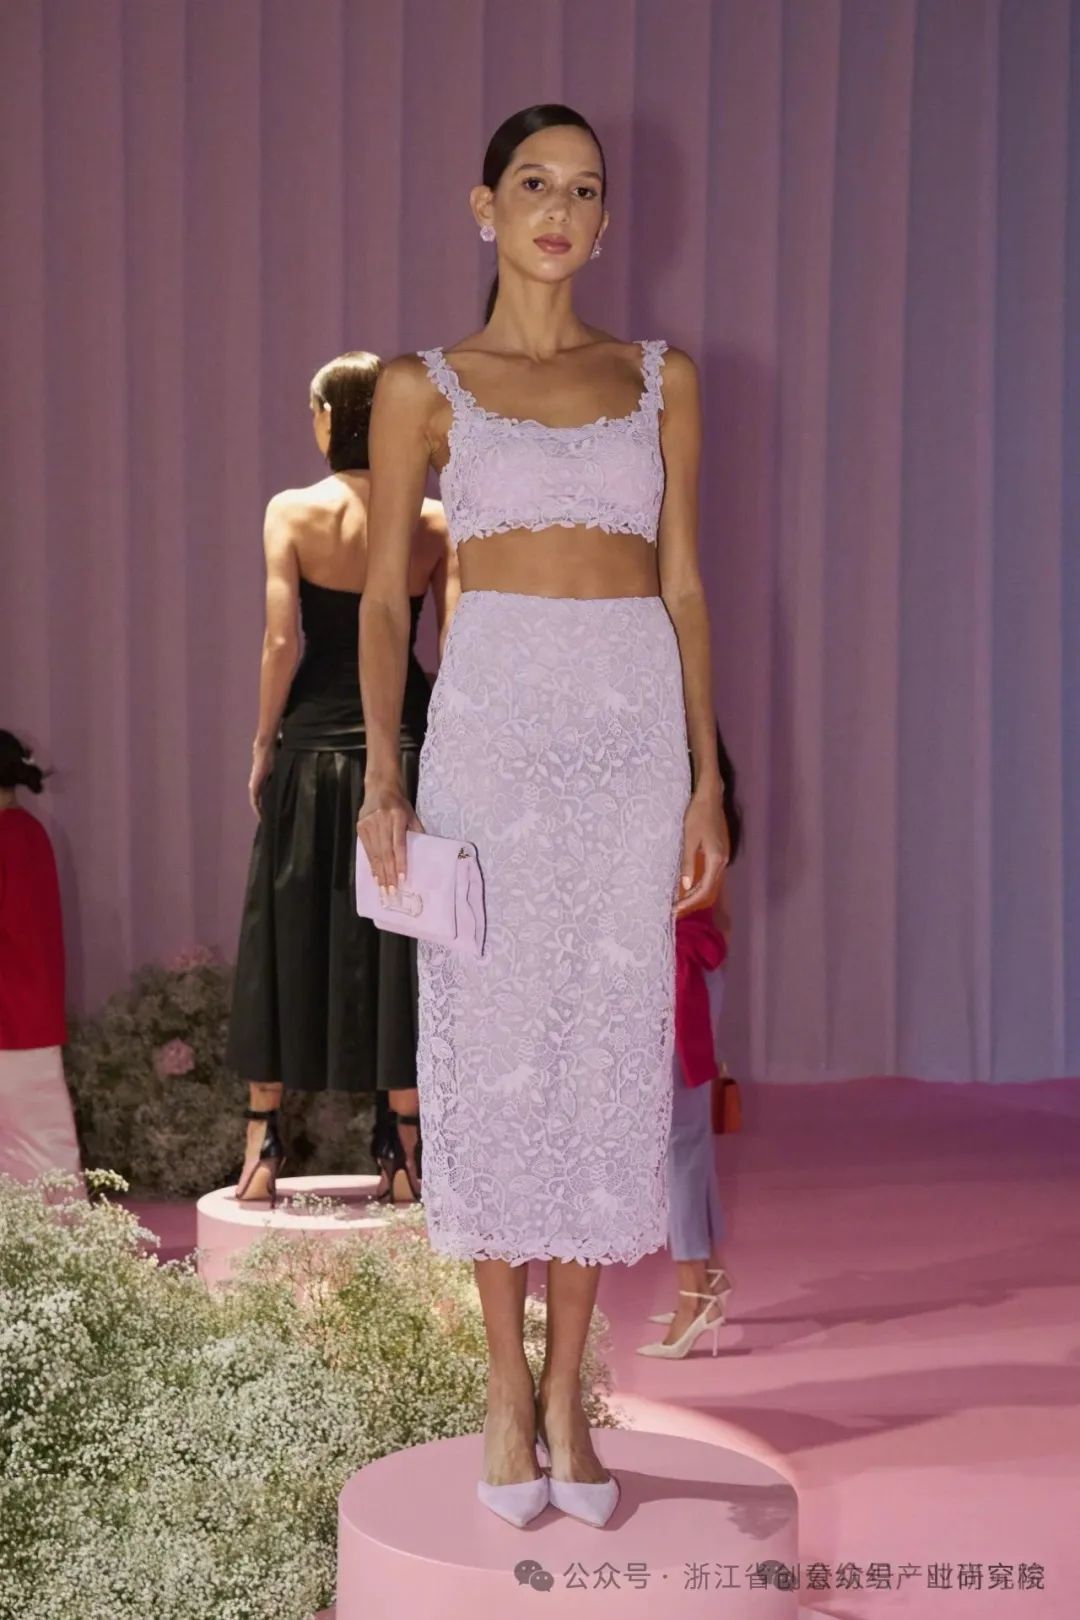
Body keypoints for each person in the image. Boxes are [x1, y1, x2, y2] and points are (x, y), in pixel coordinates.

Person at [357, 105, 729, 1529]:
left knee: (601, 1065)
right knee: (496, 1059)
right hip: (494, 738)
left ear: (606, 221)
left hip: (629, 744)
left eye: (583, 190)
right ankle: (504, 1392)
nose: (558, 211)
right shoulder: (423, 385)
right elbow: (385, 598)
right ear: (486, 207)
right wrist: (386, 771)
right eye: (533, 184)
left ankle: (573, 1393)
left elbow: (683, 583)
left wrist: (704, 778)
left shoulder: (660, 377)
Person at [226, 352, 458, 1207]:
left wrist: (263, 742)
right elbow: (455, 641)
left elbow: (280, 641)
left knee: (284, 929)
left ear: (329, 417)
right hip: (407, 748)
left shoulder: (292, 510)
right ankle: (404, 1149)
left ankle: (262, 1145)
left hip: (315, 750)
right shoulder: (432, 521)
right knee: (403, 941)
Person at [638, 726, 743, 1359]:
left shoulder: (681, 814)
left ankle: (693, 1294)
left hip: (678, 976)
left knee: (679, 1138)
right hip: (691, 971)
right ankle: (707, 1278)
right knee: (687, 1133)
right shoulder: (706, 811)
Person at [0, 731, 83, 1185]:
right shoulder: (29, 831)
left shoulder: (9, 836)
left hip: (12, 1005)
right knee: (40, 1135)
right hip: (31, 1004)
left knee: (30, 1137)